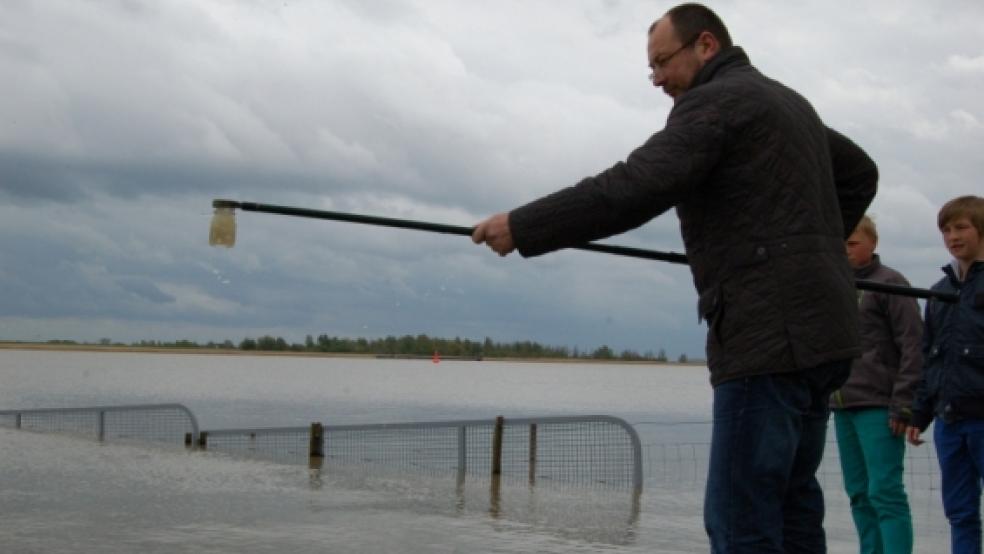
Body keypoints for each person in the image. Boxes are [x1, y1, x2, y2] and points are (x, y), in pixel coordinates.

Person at [471, 3, 877, 552]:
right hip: (825, 334)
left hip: (767, 337)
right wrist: (813, 248)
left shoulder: (716, 103)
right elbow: (860, 172)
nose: (658, 79)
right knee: (793, 508)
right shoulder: (786, 103)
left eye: (662, 62)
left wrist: (522, 226)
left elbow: (631, 187)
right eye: (651, 69)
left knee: (740, 520)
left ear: (706, 45)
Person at [831, 215, 921, 553]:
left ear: (873, 243)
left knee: (885, 492)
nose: (846, 250)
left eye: (853, 243)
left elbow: (914, 345)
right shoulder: (835, 284)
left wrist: (904, 403)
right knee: (858, 493)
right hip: (841, 404)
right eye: (840, 243)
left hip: (880, 404)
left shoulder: (891, 282)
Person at [907, 195, 984, 554]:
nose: (953, 236)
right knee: (959, 512)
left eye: (961, 228)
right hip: (949, 422)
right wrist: (919, 413)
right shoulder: (939, 293)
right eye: (946, 230)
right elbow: (930, 359)